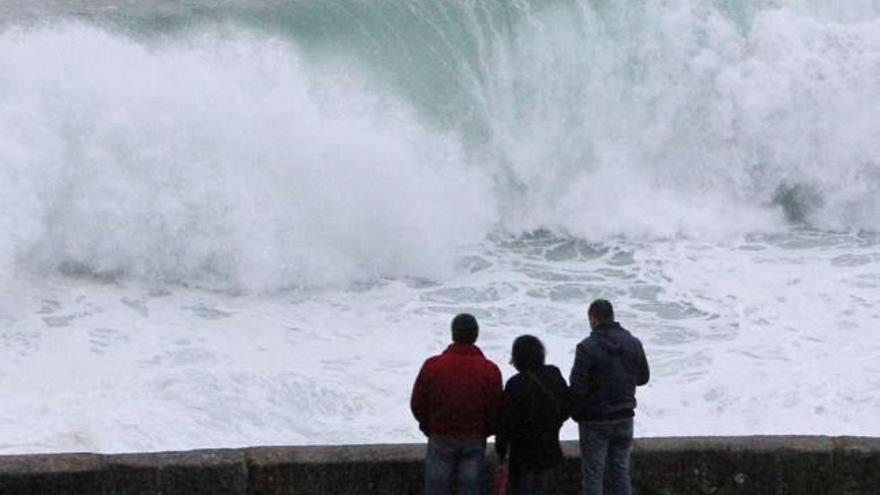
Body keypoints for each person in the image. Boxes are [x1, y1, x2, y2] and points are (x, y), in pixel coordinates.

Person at [410, 313, 503, 495]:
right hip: (474, 437)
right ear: (476, 335)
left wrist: (429, 426)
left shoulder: (432, 365)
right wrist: (486, 430)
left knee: (437, 488)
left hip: (440, 435)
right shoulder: (490, 369)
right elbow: (496, 409)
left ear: (453, 334)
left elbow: (417, 403)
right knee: (470, 488)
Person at [569, 299, 650, 495]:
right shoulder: (633, 343)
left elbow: (577, 388)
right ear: (612, 316)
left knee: (593, 474)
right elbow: (643, 378)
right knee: (621, 471)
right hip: (624, 415)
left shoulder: (586, 348)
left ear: (593, 319)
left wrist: (574, 412)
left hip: (595, 420)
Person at [496, 335, 569, 495]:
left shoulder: (515, 384)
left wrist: (501, 452)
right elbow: (566, 406)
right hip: (549, 450)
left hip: (522, 456)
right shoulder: (553, 374)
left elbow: (505, 423)